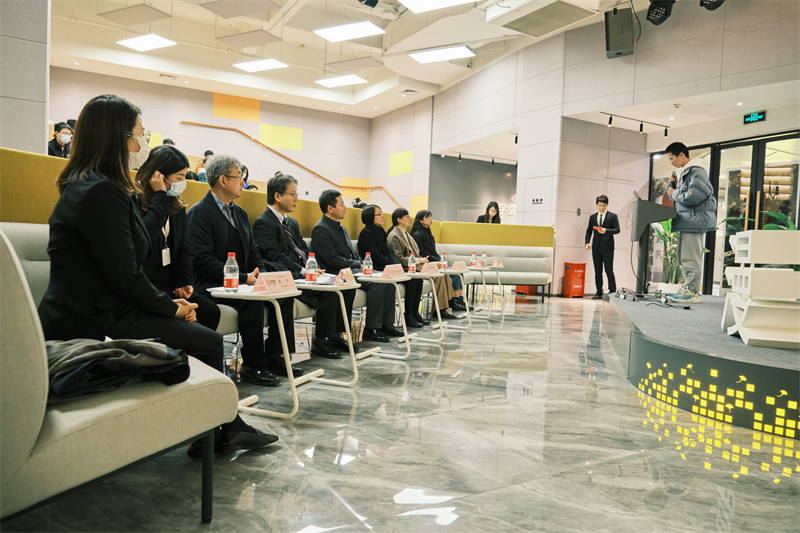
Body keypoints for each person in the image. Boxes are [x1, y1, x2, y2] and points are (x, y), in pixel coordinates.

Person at [37, 94, 275, 456]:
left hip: (99, 304)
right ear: (116, 138)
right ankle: (216, 430)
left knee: (201, 331)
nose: (141, 145)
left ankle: (218, 427)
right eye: (139, 136)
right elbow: (125, 275)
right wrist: (171, 308)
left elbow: (125, 270)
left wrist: (171, 302)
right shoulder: (102, 191)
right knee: (209, 341)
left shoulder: (91, 185)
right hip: (93, 314)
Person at [186, 154, 305, 386]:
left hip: (241, 283)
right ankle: (253, 365)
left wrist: (262, 276)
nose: (243, 182)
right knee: (252, 301)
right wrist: (244, 278)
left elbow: (253, 252)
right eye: (239, 177)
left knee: (283, 295)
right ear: (223, 180)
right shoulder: (200, 213)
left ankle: (275, 356)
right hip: (212, 285)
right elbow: (201, 261)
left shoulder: (239, 213)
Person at [253, 172, 355, 359]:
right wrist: (303, 270)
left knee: (342, 285)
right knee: (331, 293)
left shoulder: (291, 222)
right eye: (292, 194)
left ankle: (334, 336)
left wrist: (313, 266)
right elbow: (275, 256)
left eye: (296, 194)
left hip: (304, 273)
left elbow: (303, 249)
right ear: (277, 196)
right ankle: (320, 342)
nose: (296, 199)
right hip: (289, 276)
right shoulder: (264, 222)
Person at [134, 145, 221, 331]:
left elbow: (183, 249)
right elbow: (145, 236)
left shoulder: (177, 207)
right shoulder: (135, 202)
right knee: (192, 325)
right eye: (179, 177)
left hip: (171, 285)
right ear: (158, 175)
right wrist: (160, 196)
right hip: (147, 285)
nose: (183, 182)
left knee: (210, 311)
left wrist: (185, 282)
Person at [310, 190, 402, 342]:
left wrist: (360, 262)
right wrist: (358, 264)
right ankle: (371, 328)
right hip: (337, 272)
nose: (345, 207)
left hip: (351, 270)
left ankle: (386, 324)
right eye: (341, 204)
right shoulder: (321, 229)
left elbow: (351, 253)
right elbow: (332, 260)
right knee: (377, 283)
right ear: (330, 208)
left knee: (387, 282)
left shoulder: (341, 228)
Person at [358, 205, 428, 328]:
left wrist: (395, 264)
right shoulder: (366, 233)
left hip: (386, 267)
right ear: (370, 217)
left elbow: (387, 251)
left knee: (417, 277)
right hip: (376, 268)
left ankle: (413, 313)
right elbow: (375, 255)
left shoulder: (380, 230)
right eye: (379, 214)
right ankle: (407, 316)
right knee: (411, 280)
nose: (383, 216)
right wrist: (392, 266)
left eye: (382, 213)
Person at [664, 142, 717, 304]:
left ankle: (692, 292)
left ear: (681, 155)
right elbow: (683, 195)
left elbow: (692, 197)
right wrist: (673, 187)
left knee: (691, 258)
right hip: (689, 221)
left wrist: (673, 192)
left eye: (672, 158)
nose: (671, 162)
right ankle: (688, 288)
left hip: (694, 221)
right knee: (685, 257)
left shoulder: (697, 171)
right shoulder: (688, 172)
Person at [387, 208, 457, 320]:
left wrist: (421, 259)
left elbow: (417, 254)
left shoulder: (407, 235)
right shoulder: (394, 235)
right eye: (407, 216)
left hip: (416, 263)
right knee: (439, 269)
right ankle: (442, 307)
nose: (409, 219)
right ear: (399, 219)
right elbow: (398, 258)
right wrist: (419, 260)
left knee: (442, 270)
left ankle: (444, 306)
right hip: (408, 266)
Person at [410, 210, 468, 311]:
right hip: (428, 263)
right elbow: (424, 254)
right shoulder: (417, 235)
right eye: (427, 217)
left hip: (435, 261)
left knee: (459, 272)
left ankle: (459, 299)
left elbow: (433, 252)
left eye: (430, 216)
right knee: (455, 274)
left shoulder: (429, 234)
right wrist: (439, 260)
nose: (430, 219)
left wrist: (440, 259)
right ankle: (454, 300)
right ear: (421, 221)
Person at [584, 194, 619, 299]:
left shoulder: (613, 216)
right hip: (596, 248)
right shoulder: (592, 217)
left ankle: (612, 292)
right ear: (596, 205)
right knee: (598, 272)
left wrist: (606, 230)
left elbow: (617, 229)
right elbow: (589, 231)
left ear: (607, 205)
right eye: (599, 205)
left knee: (609, 270)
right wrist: (587, 242)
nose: (601, 207)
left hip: (608, 248)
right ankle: (599, 292)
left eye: (604, 205)